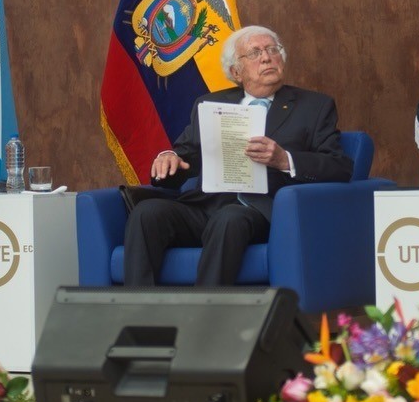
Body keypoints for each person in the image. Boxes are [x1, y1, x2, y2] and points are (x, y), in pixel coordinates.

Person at [123, 25, 354, 286]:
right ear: (236, 72)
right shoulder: (208, 104)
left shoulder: (314, 106)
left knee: (230, 218)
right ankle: (137, 312)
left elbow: (340, 167)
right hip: (205, 206)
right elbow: (186, 155)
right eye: (254, 53)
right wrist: (169, 158)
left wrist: (284, 159)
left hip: (260, 211)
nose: (267, 58)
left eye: (272, 50)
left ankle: (204, 317)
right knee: (147, 212)